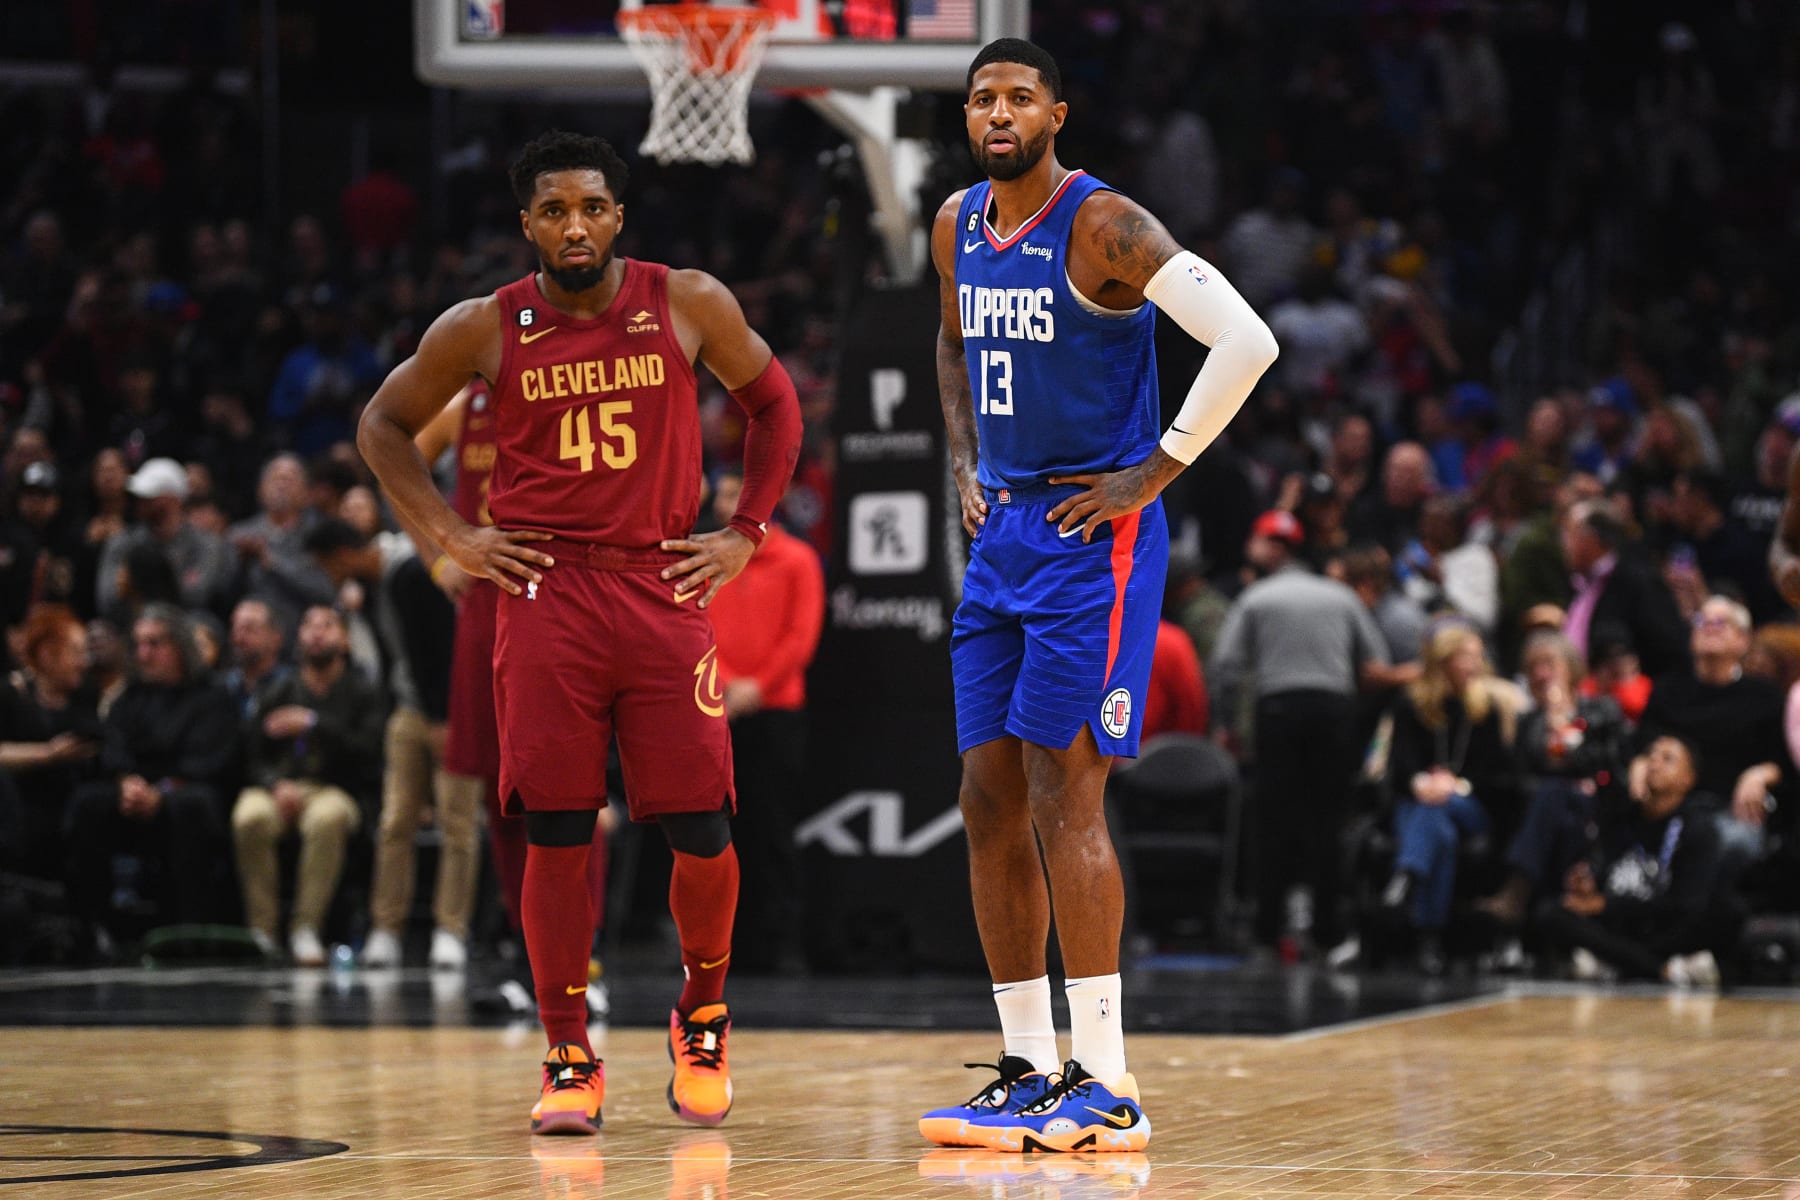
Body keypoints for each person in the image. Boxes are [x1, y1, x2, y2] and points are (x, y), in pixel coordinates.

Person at [357, 131, 801, 1135]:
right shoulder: (484, 326)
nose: (574, 226)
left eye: (591, 207)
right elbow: (382, 426)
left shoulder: (686, 299)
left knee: (702, 825)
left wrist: (745, 533)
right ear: (527, 226)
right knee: (555, 827)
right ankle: (568, 1054)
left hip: (658, 586)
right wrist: (449, 535)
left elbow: (775, 408)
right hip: (546, 593)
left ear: (618, 216)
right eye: (553, 210)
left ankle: (702, 1013)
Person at [919, 40, 1277, 1155]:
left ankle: (1108, 1081)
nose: (997, 111)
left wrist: (1155, 470)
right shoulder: (953, 226)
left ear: (1057, 113)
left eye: (1019, 95)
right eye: (982, 97)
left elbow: (1246, 340)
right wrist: (964, 463)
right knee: (986, 795)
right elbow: (951, 341)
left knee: (1063, 793)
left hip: (1097, 538)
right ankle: (1029, 1065)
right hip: (1007, 532)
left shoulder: (1103, 224)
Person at [382, 380, 613, 997]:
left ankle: (582, 955)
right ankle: (530, 949)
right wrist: (438, 555)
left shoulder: (577, 393)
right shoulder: (464, 408)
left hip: (566, 591)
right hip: (488, 599)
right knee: (499, 791)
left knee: (571, 789)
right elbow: (392, 457)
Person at [1210, 512, 1394, 964]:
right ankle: (1328, 932)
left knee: (1274, 823)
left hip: (1278, 713)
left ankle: (1267, 932)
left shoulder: (1256, 597)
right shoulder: (1342, 598)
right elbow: (1375, 665)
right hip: (1333, 713)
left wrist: (1227, 723)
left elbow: (1226, 667)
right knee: (1328, 823)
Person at [702, 469, 825, 974]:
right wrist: (728, 682)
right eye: (725, 492)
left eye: (738, 492)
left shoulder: (798, 561)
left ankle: (774, 945)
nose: (728, 500)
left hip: (775, 715)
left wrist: (756, 686)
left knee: (771, 830)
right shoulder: (708, 560)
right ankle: (716, 945)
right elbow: (695, 625)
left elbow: (801, 637)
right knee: (716, 833)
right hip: (715, 709)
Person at [64, 605, 240, 943]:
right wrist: (127, 782)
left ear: (180, 646)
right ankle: (92, 925)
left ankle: (190, 928)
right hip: (135, 792)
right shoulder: (130, 697)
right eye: (139, 644)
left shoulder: (212, 696)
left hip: (185, 791)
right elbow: (113, 747)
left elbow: (213, 759)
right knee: (88, 803)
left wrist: (163, 791)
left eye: (155, 644)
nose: (144, 654)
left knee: (193, 806)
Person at [230, 604, 382, 964]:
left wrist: (315, 724)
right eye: (308, 625)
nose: (316, 633)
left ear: (344, 639)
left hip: (337, 790)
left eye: (327, 625)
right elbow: (251, 753)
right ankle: (262, 930)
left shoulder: (362, 691)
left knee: (325, 820)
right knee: (249, 817)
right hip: (283, 787)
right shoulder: (281, 687)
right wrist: (275, 783)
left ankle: (305, 927)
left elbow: (369, 753)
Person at [1535, 735, 1736, 984]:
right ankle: (1663, 970)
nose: (1654, 763)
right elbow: (1605, 875)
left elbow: (1685, 906)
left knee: (1725, 914)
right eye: (1651, 755)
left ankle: (1616, 963)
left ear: (1688, 779)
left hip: (1663, 927)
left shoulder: (1699, 830)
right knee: (1551, 913)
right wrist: (1587, 884)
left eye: (1667, 759)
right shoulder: (1622, 818)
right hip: (1621, 928)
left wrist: (1605, 905)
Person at [1381, 623, 1521, 974]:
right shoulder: (1409, 705)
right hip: (1419, 801)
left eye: (1478, 657)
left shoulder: (1485, 708)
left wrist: (1454, 786)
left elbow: (1495, 773)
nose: (1475, 664)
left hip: (1469, 805)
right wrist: (1422, 783)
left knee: (1441, 809)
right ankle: (1431, 941)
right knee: (1439, 830)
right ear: (1443, 661)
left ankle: (1407, 875)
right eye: (1466, 656)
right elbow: (1398, 767)